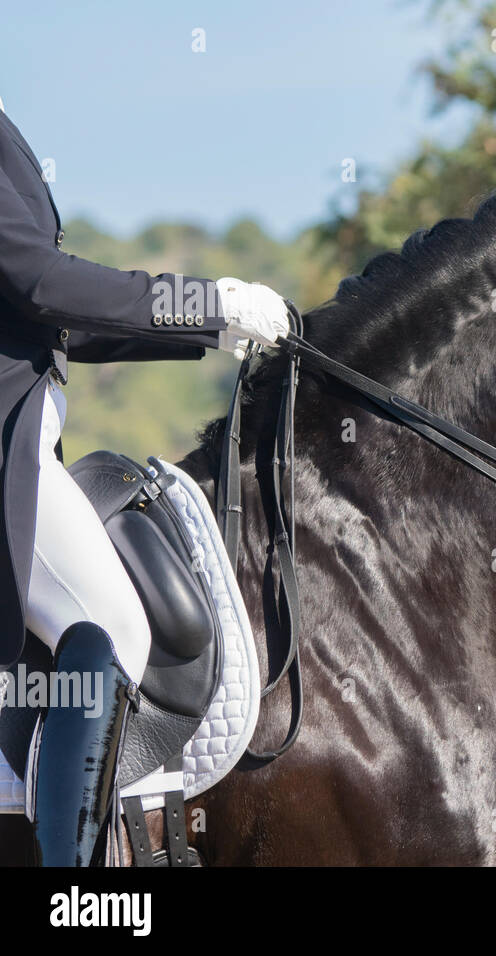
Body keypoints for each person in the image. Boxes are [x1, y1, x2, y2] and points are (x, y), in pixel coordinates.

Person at [0, 98, 290, 865]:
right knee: (111, 628)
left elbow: (39, 316)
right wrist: (205, 298)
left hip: (27, 437)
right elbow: (37, 281)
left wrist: (204, 324)